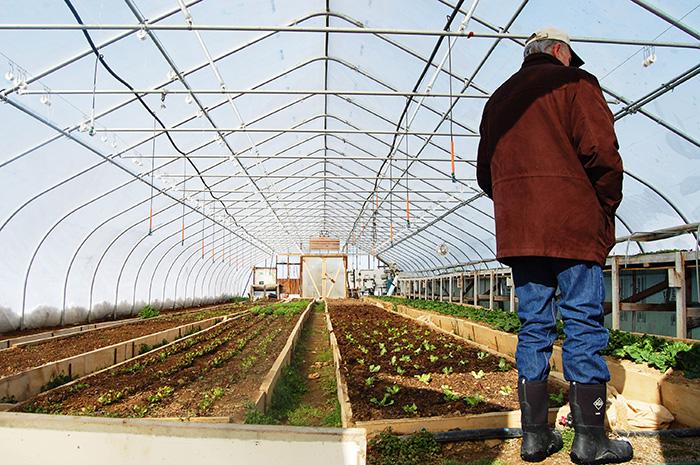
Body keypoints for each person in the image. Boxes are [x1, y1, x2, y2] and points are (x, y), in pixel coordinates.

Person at [476, 27, 633, 465]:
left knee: (534, 326)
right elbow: (601, 152)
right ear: (560, 52)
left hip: (522, 233)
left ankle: (535, 437)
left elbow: (485, 173)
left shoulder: (498, 99)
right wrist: (604, 205)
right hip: (573, 227)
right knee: (583, 322)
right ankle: (590, 441)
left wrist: (519, 205)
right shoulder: (575, 84)